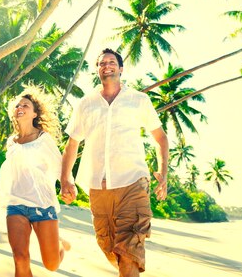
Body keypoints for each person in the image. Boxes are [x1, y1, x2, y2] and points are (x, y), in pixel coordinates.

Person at [60, 48, 169, 277]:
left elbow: (160, 138)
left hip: (133, 184)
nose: (106, 66)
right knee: (109, 247)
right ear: (98, 70)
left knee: (129, 249)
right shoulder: (86, 103)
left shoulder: (139, 100)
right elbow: (72, 144)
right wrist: (65, 179)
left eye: (111, 62)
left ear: (121, 69)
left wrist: (163, 173)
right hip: (98, 188)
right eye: (101, 63)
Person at [0, 84, 70, 276]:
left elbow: (60, 166)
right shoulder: (12, 141)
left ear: (35, 113)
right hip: (16, 205)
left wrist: (67, 185)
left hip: (42, 206)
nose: (20, 108)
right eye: (18, 106)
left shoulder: (43, 139)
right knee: (20, 259)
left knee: (51, 265)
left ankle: (59, 244)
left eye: (25, 105)